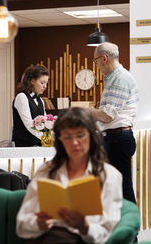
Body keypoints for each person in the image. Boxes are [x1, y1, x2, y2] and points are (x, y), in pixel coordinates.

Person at [16, 107, 123, 244]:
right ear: (60, 141)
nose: (74, 143)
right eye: (67, 137)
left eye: (80, 135)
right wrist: (37, 223)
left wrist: (85, 227)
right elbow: (22, 222)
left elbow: (108, 233)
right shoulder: (47, 170)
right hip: (43, 237)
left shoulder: (108, 175)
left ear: (91, 136)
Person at [89, 42, 139, 205]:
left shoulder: (119, 78)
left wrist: (86, 112)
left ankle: (130, 229)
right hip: (114, 137)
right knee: (113, 187)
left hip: (118, 139)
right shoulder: (113, 77)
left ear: (104, 58)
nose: (96, 65)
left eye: (95, 61)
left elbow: (106, 116)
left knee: (122, 188)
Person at [12, 64, 49, 147]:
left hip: (38, 145)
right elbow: (29, 124)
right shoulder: (21, 97)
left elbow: (45, 122)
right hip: (23, 146)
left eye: (46, 83)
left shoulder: (40, 100)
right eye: (42, 83)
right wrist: (46, 138)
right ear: (32, 81)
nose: (45, 86)